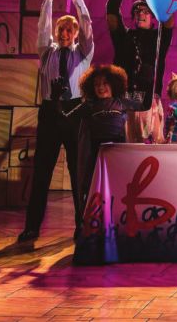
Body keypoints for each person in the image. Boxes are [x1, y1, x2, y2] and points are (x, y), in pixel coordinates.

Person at [19, 0, 94, 243]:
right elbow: (42, 27)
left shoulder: (83, 53)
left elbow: (87, 26)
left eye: (69, 29)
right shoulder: (47, 52)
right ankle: (32, 227)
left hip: (75, 112)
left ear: (75, 34)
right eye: (60, 29)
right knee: (42, 171)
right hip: (50, 111)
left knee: (78, 172)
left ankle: (82, 225)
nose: (64, 33)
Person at [106, 0, 174, 140]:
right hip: (124, 101)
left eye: (145, 11)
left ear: (153, 17)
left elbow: (169, 16)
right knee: (125, 148)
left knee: (152, 149)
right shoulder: (123, 36)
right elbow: (111, 9)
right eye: (137, 11)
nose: (140, 14)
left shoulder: (160, 38)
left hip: (150, 102)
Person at [75, 64, 134, 230]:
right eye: (96, 84)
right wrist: (58, 102)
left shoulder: (123, 103)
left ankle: (118, 224)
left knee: (118, 189)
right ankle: (91, 226)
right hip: (96, 156)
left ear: (114, 84)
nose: (100, 87)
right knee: (94, 190)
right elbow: (67, 116)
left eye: (105, 83)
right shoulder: (89, 106)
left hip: (118, 156)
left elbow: (144, 107)